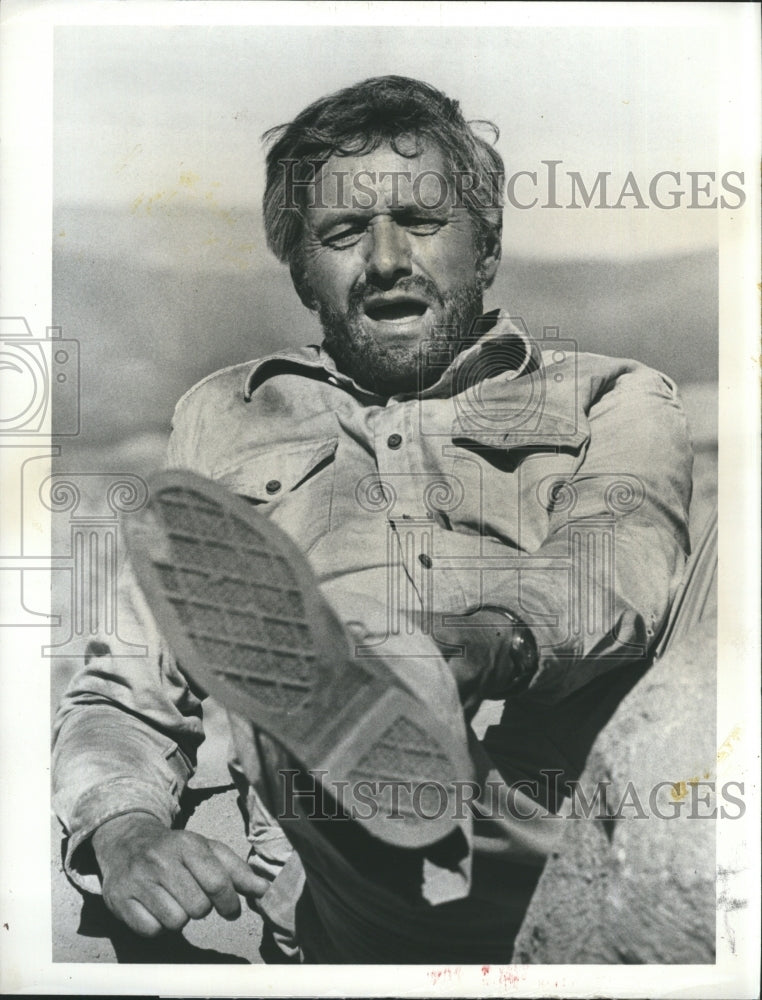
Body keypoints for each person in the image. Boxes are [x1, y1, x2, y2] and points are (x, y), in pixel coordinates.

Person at [52, 75, 693, 964]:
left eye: (422, 222)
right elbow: (123, 684)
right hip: (340, 885)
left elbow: (620, 559)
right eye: (343, 233)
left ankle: (383, 686)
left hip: (541, 831)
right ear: (304, 274)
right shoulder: (228, 416)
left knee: (707, 583)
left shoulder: (610, 397)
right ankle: (355, 701)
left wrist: (478, 642)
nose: (386, 259)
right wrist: (122, 829)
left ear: (487, 244)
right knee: (316, 683)